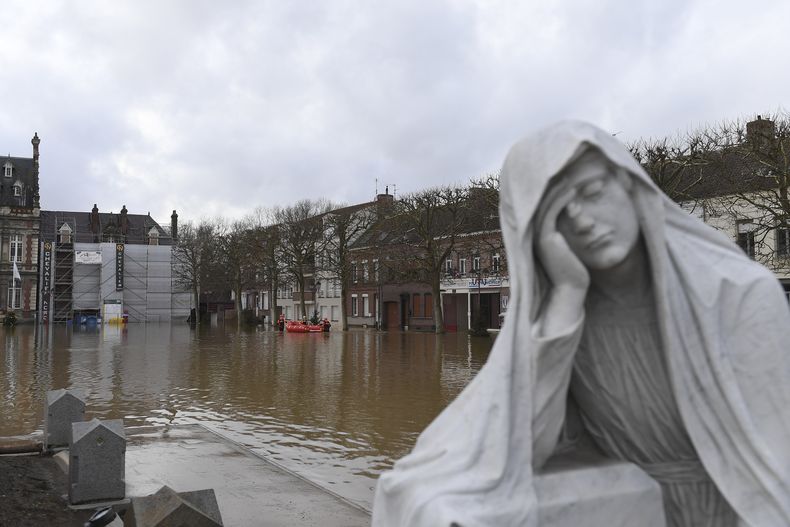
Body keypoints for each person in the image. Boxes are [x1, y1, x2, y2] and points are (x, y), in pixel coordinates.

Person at [372, 121, 790, 526]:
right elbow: (515, 444)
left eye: (592, 192)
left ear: (629, 185)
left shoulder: (737, 295)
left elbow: (775, 460)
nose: (584, 221)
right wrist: (568, 296)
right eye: (558, 217)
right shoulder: (565, 317)